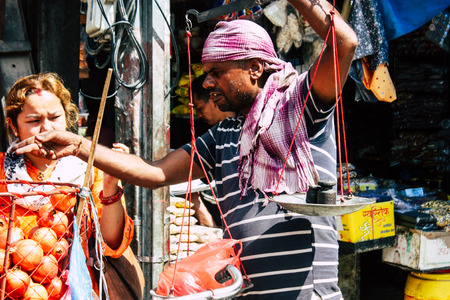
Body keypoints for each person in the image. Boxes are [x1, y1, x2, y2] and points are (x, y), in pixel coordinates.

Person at [14, 1, 357, 299]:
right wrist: (78, 144)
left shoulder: (299, 110)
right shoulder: (223, 136)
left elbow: (343, 43)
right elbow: (154, 173)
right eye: (207, 73)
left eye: (218, 72)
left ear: (255, 68)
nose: (206, 83)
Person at [2, 73, 134, 298]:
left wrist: (111, 184)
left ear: (67, 117)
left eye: (55, 117)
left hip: (73, 290)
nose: (46, 128)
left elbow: (110, 241)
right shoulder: (3, 174)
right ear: (13, 126)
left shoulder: (89, 169)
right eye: (34, 121)